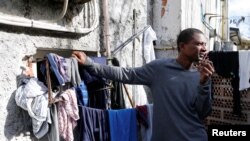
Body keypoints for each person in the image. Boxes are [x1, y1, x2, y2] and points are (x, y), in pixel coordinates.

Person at [72, 28, 215, 141]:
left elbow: (203, 112)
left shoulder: (202, 75)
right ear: (182, 46)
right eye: (198, 43)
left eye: (205, 44)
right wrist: (90, 64)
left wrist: (204, 83)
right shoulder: (159, 69)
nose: (204, 48)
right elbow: (126, 74)